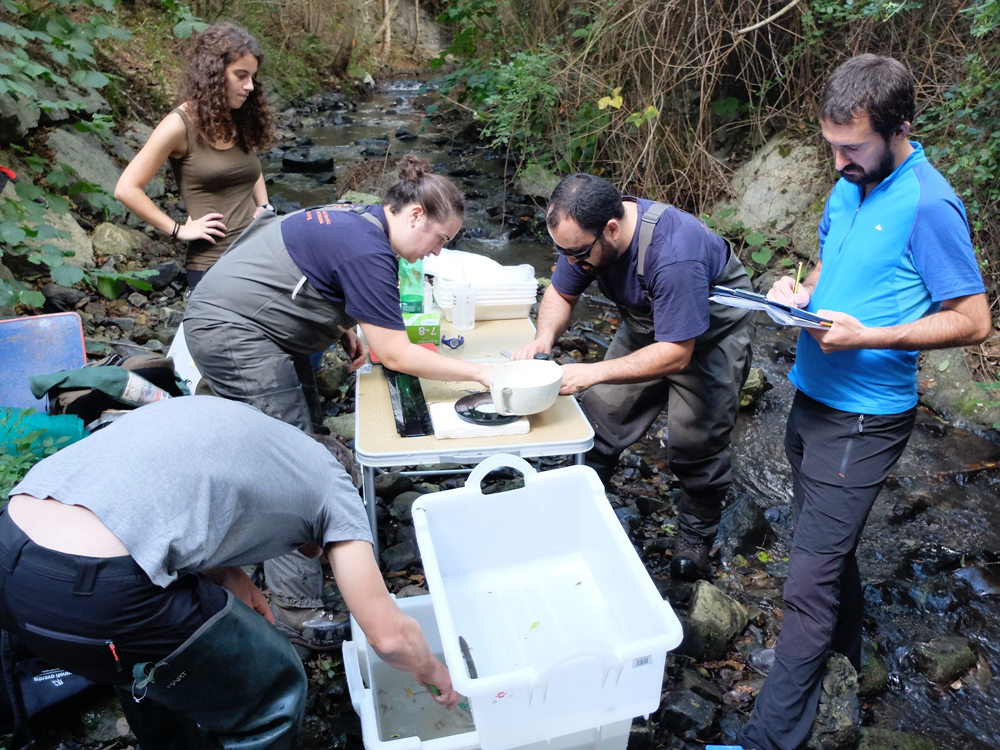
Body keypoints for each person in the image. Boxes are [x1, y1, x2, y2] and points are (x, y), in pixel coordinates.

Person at [736, 55, 991, 750]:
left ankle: (770, 739)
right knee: (826, 546)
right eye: (831, 145)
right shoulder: (850, 182)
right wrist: (799, 294)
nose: (838, 161)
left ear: (898, 127)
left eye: (851, 147)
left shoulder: (929, 204)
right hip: (811, 394)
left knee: (806, 582)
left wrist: (869, 335)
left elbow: (973, 319)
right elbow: (830, 265)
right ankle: (842, 662)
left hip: (865, 417)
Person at [0, 397, 459, 750]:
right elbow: (389, 637)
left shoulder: (239, 426)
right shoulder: (334, 485)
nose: (311, 553)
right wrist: (435, 671)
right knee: (273, 681)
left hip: (12, 542)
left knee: (145, 664)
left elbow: (168, 501)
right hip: (99, 589)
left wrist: (230, 577)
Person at [183, 154, 492, 649]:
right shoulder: (368, 250)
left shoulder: (359, 216)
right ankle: (295, 608)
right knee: (292, 464)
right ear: (415, 216)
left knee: (302, 438)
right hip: (234, 332)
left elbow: (310, 268)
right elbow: (395, 352)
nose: (437, 253)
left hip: (257, 323)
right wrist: (480, 373)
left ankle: (283, 548)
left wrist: (342, 324)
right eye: (440, 239)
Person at [512, 174, 755, 582]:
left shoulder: (673, 253)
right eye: (563, 252)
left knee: (694, 440)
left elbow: (676, 353)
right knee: (598, 418)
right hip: (648, 324)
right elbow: (561, 293)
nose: (571, 261)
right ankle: (575, 511)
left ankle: (695, 538)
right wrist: (543, 339)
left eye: (578, 254)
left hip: (709, 336)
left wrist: (593, 371)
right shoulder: (583, 239)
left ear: (612, 229)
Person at [115, 22, 274, 289]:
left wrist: (265, 206)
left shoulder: (238, 114)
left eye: (252, 77)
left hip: (258, 254)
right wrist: (178, 230)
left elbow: (249, 164)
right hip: (214, 266)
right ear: (214, 73)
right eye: (241, 75)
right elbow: (126, 188)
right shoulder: (178, 126)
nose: (249, 86)